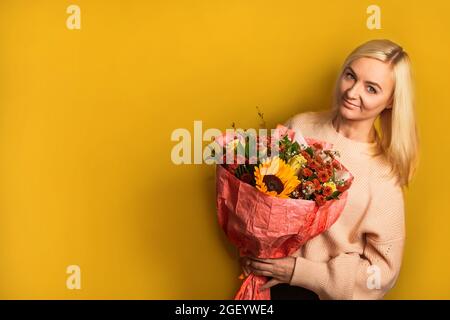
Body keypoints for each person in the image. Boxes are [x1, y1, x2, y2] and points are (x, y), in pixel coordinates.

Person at [240, 39, 420, 300]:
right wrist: (251, 249)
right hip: (264, 283)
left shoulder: (383, 176)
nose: (352, 92)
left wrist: (302, 272)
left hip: (320, 295)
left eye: (371, 89)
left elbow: (382, 273)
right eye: (351, 76)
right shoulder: (300, 127)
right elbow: (259, 197)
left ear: (391, 100)